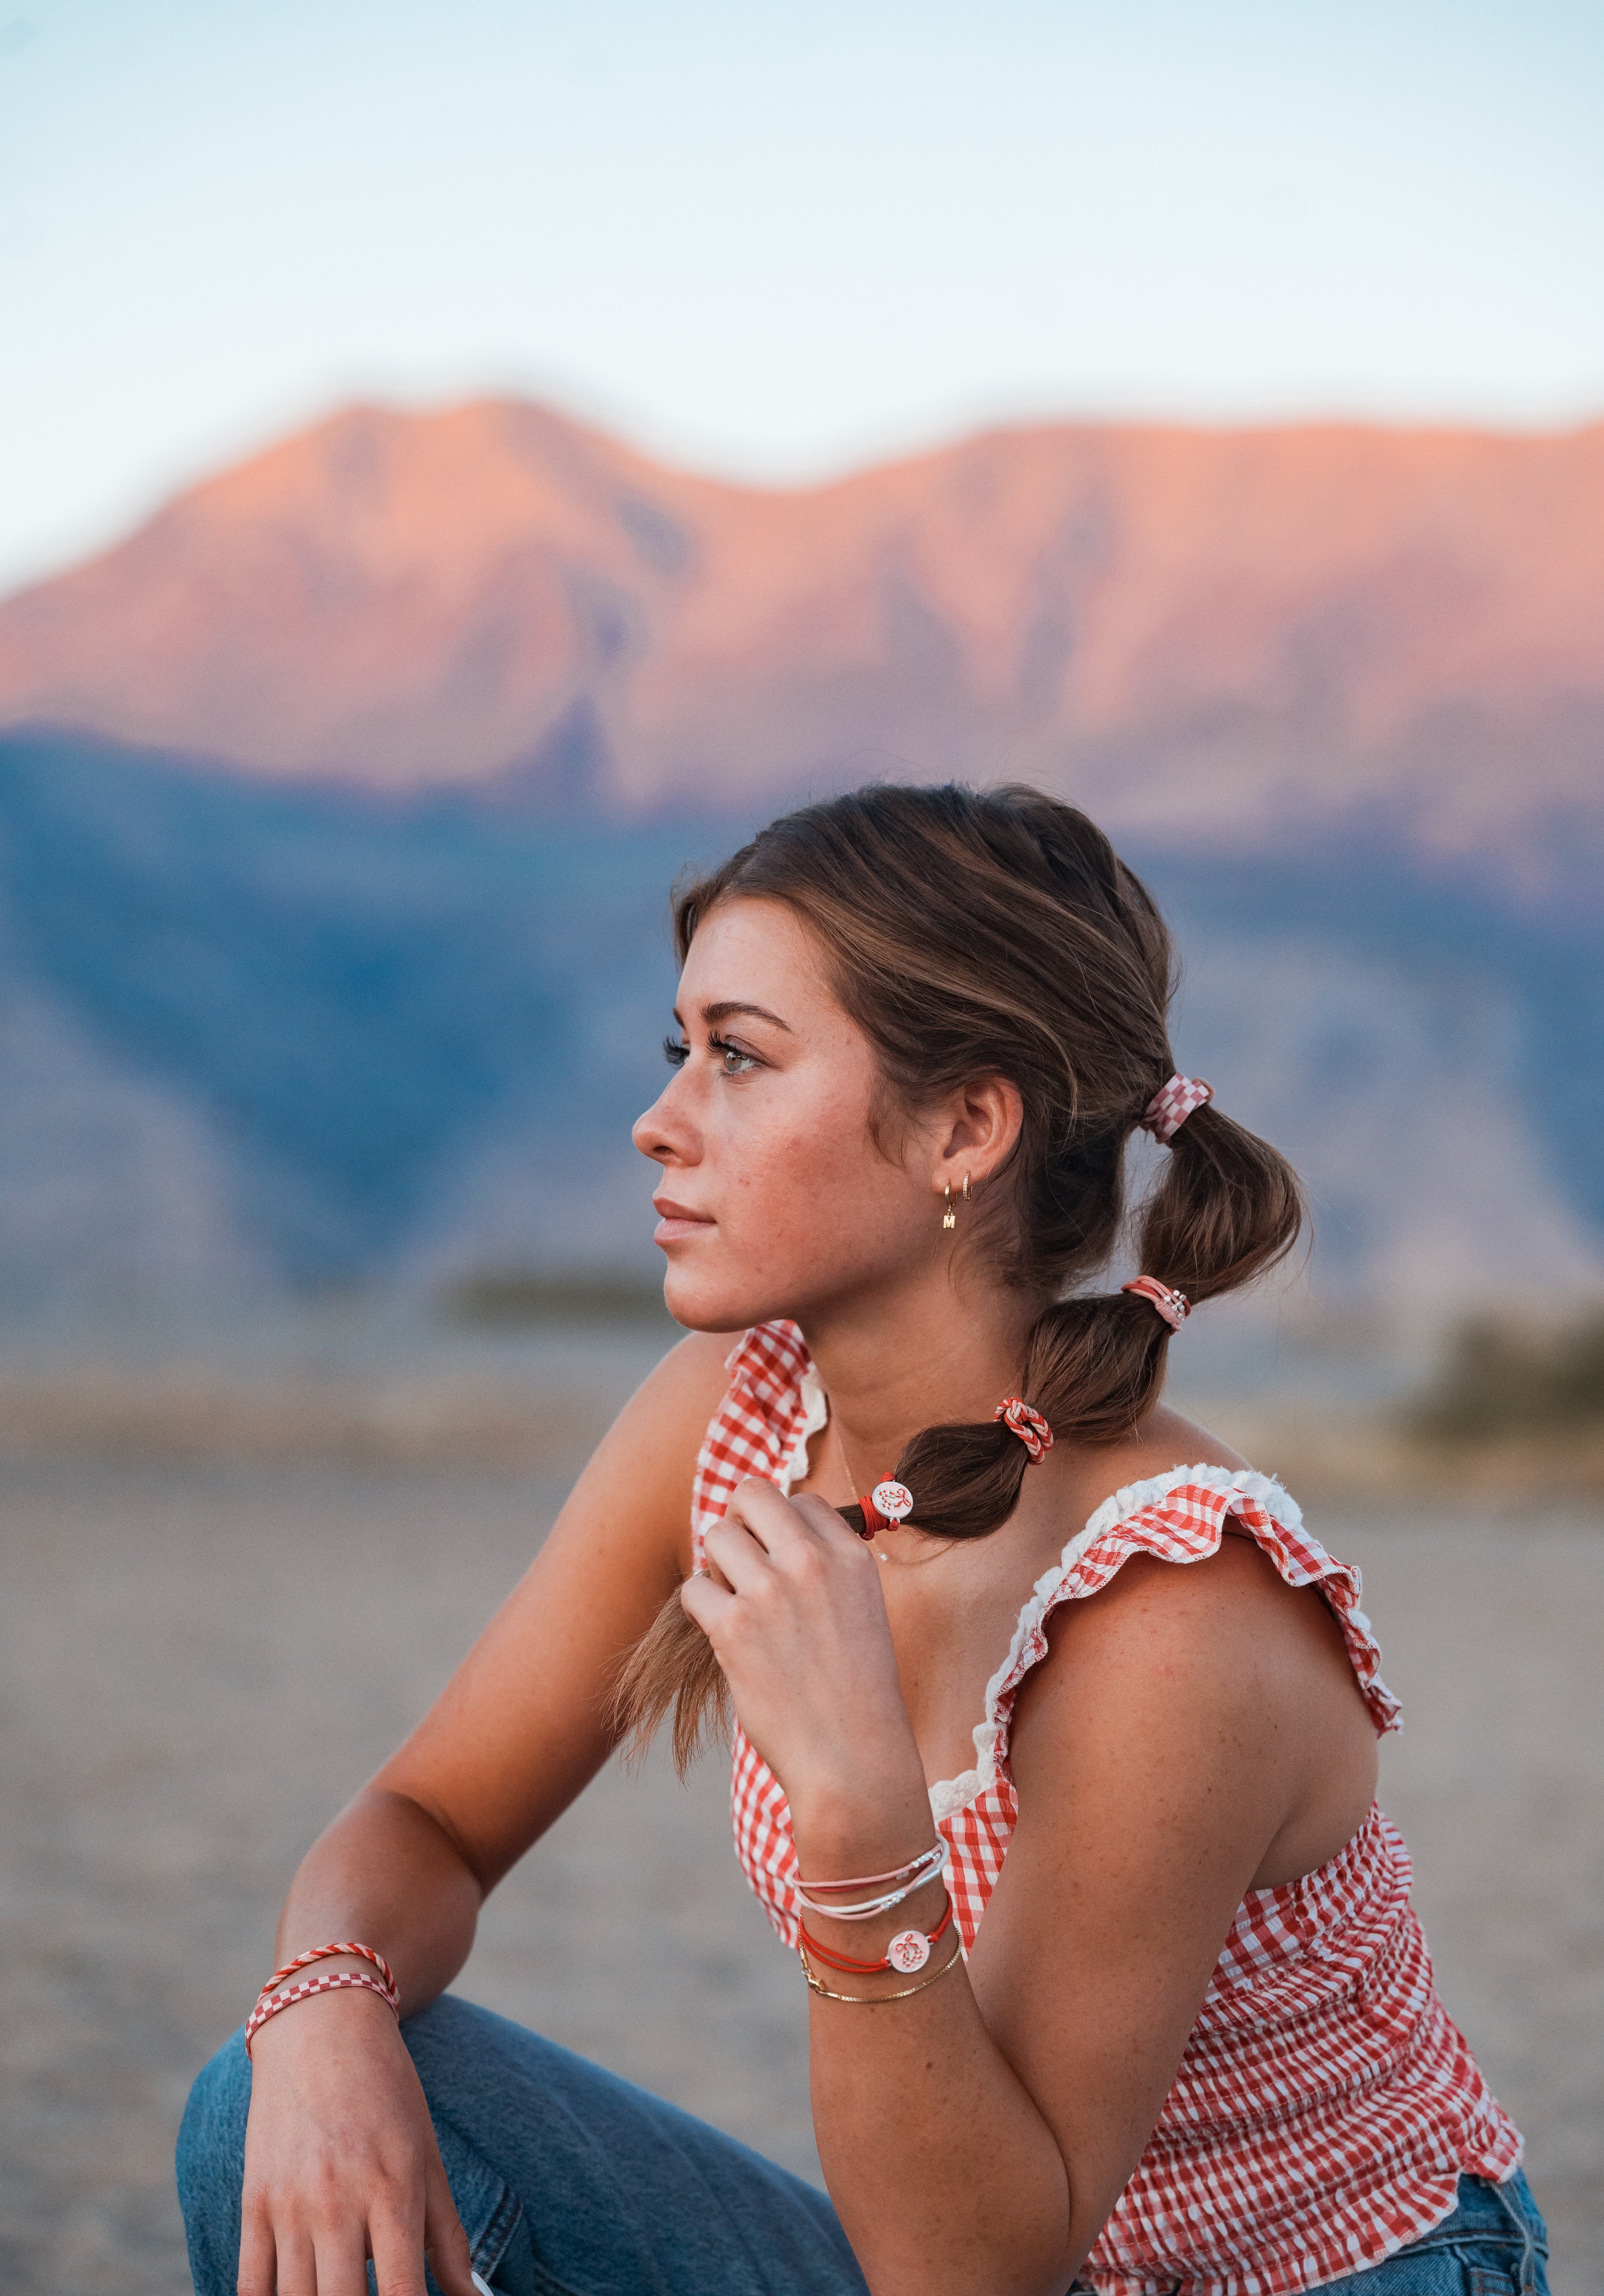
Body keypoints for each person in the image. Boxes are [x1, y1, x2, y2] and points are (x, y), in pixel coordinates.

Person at [178, 784, 1546, 2296]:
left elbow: (978, 2274)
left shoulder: (1176, 1603)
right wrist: (322, 2008)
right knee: (267, 2110)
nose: (660, 1122)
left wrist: (861, 1824)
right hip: (953, 2240)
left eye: (741, 1059)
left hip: (1226, 2273)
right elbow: (424, 1826)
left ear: (967, 1127)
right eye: (679, 1051)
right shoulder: (742, 1410)